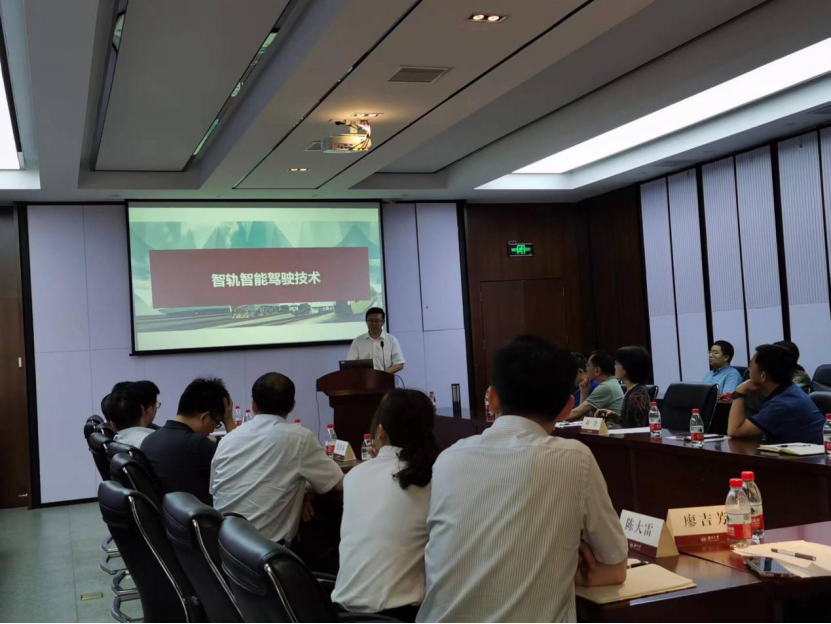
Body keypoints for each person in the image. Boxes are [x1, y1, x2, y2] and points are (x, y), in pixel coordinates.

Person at [417, 336, 627, 623]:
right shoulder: (574, 459)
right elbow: (615, 563)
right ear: (567, 407)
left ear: (492, 398)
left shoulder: (448, 458)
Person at [332, 389, 439, 622]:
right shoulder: (433, 479)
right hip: (401, 615)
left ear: (380, 431)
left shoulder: (354, 476)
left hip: (342, 613)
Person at [211, 373, 343, 544]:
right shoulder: (299, 438)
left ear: (253, 405)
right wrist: (303, 488)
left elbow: (219, 488)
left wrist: (301, 488)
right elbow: (337, 484)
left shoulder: (227, 439)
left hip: (223, 547)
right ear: (292, 405)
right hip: (266, 552)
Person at [142, 377, 236, 505]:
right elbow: (240, 460)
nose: (213, 429)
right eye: (217, 423)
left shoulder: (149, 440)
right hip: (202, 514)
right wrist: (229, 420)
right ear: (205, 417)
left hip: (167, 513)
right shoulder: (199, 445)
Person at [728, 344, 824, 444]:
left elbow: (735, 431)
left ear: (763, 376)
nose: (748, 370)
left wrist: (740, 391)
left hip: (815, 454)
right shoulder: (788, 390)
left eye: (750, 366)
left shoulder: (783, 404)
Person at [596, 346, 652, 429]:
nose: (614, 366)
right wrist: (613, 415)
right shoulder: (632, 391)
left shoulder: (637, 396)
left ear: (628, 366)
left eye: (617, 363)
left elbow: (638, 429)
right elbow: (628, 422)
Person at [568, 350, 624, 420]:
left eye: (588, 365)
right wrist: (584, 393)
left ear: (597, 370)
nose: (586, 369)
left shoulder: (606, 387)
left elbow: (576, 413)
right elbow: (583, 418)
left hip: (611, 426)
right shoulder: (610, 383)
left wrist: (555, 418)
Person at [347, 307, 405, 373]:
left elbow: (399, 364)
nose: (374, 323)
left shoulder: (392, 340)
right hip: (364, 378)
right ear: (366, 321)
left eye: (377, 321)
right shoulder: (357, 341)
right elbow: (350, 364)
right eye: (371, 321)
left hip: (385, 377)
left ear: (383, 322)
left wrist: (384, 374)